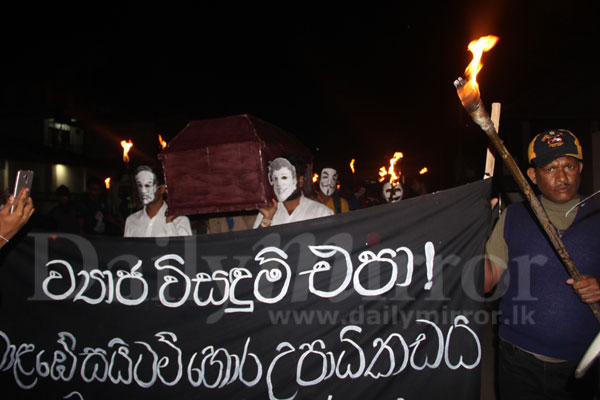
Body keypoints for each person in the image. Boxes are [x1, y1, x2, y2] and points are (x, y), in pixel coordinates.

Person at [485, 129, 600, 399]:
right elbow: (486, 281)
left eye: (569, 166)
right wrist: (471, 234)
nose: (562, 177)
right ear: (533, 176)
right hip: (518, 359)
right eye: (550, 168)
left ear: (580, 168)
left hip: (584, 362)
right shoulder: (514, 216)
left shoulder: (597, 215)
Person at [253, 155, 333, 228]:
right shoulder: (268, 212)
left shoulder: (321, 213)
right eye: (275, 178)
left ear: (300, 181)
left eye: (284, 177)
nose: (279, 184)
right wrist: (267, 219)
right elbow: (254, 243)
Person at [124, 165, 192, 237]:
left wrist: (169, 223)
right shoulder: (131, 220)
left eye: (147, 185)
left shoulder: (179, 221)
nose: (143, 191)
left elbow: (183, 247)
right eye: (140, 185)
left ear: (162, 189)